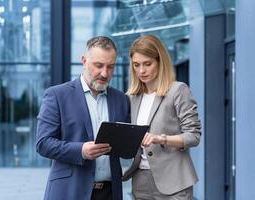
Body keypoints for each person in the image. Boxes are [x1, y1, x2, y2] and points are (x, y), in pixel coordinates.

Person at [36, 36, 130, 200]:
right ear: (84, 61)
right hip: (69, 191)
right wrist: (80, 151)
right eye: (99, 65)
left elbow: (126, 148)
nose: (104, 73)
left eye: (111, 67)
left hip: (110, 193)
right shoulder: (57, 95)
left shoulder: (121, 99)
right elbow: (43, 143)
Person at [122, 35, 201, 200]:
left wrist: (161, 139)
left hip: (174, 181)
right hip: (141, 181)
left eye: (147, 64)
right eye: (136, 65)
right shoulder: (132, 97)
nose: (141, 71)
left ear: (160, 61)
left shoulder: (178, 91)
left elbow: (193, 136)